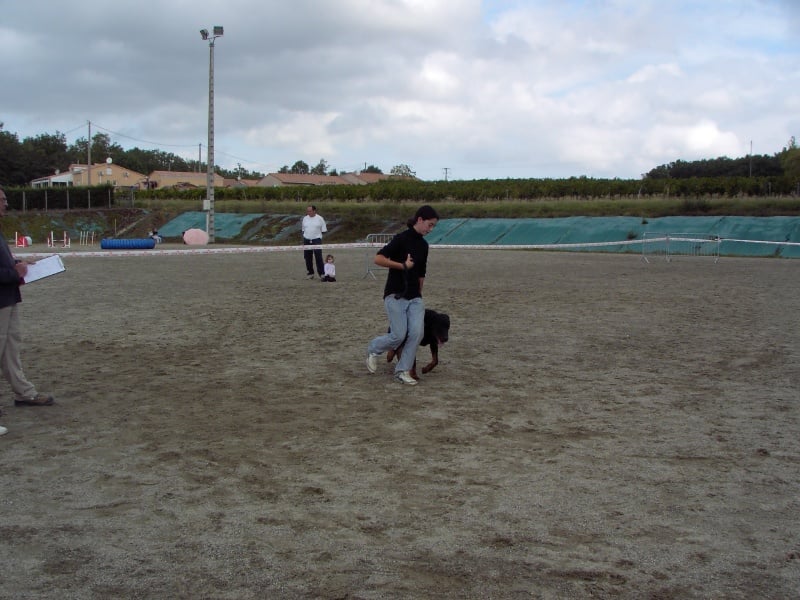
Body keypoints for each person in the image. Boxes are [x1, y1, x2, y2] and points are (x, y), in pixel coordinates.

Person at [0, 186, 55, 431]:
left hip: (8, 297)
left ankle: (24, 393)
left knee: (11, 348)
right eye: (1, 199)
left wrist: (18, 264)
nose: (5, 204)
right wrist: (14, 272)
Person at [366, 205, 439, 385]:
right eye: (429, 225)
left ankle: (402, 371)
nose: (431, 229)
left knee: (416, 333)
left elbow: (422, 272)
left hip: (414, 297)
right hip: (395, 295)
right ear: (420, 219)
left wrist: (419, 295)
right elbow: (378, 258)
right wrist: (403, 266)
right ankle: (373, 349)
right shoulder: (400, 239)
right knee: (398, 335)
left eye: (433, 226)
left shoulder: (424, 245)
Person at [301, 205, 327, 279]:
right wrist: (305, 237)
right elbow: (303, 229)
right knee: (307, 257)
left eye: (310, 211)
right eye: (307, 211)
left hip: (316, 240)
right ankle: (310, 273)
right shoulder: (305, 218)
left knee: (318, 257)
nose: (308, 212)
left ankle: (322, 273)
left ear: (314, 211)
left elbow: (324, 230)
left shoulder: (320, 218)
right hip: (306, 239)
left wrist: (318, 237)